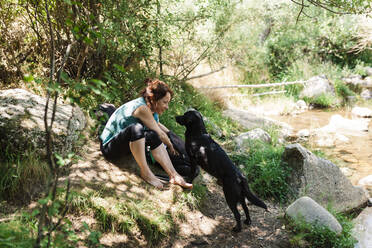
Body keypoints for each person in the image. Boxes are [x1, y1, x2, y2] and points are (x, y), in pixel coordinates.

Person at [100, 78, 192, 189]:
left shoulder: (152, 110)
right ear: (155, 100)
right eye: (165, 102)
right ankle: (146, 172)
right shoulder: (142, 108)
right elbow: (161, 134)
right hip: (109, 148)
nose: (167, 107)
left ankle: (174, 175)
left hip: (124, 145)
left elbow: (158, 127)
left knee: (152, 135)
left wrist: (173, 137)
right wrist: (171, 146)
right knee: (137, 128)